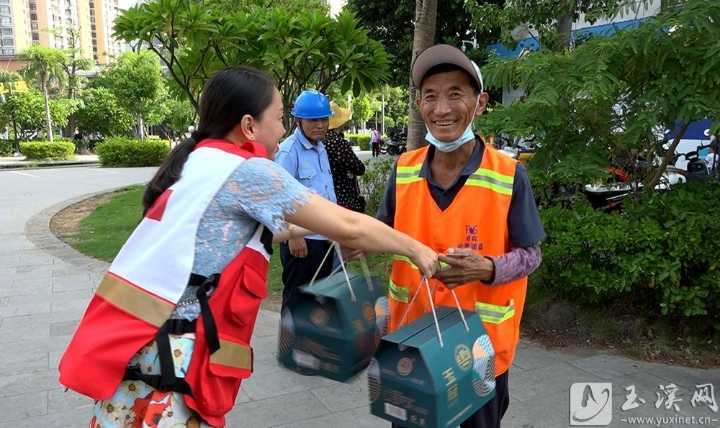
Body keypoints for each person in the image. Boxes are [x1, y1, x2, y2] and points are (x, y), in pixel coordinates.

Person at [58, 67, 439, 428]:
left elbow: (232, 234)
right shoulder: (248, 172)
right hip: (175, 358)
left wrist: (311, 234)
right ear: (248, 126)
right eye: (277, 117)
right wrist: (415, 249)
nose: (282, 128)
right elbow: (351, 224)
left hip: (142, 346)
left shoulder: (200, 160)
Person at [376, 45, 545, 428]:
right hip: (410, 348)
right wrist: (355, 241)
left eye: (456, 94)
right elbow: (381, 231)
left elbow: (531, 255)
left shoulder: (509, 175)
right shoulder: (403, 169)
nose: (442, 109)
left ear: (480, 102)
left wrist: (487, 267)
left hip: (479, 353)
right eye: (430, 96)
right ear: (419, 105)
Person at [275, 90, 337, 311]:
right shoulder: (288, 151)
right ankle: (288, 346)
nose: (320, 125)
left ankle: (312, 346)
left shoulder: (320, 148)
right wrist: (293, 237)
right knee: (297, 300)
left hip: (324, 239)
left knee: (319, 301)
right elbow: (278, 197)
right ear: (299, 120)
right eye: (313, 120)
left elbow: (326, 193)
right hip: (301, 242)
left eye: (324, 119)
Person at [325, 102, 366, 213]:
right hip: (346, 199)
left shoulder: (320, 141)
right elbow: (359, 168)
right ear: (339, 123)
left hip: (327, 200)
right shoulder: (338, 143)